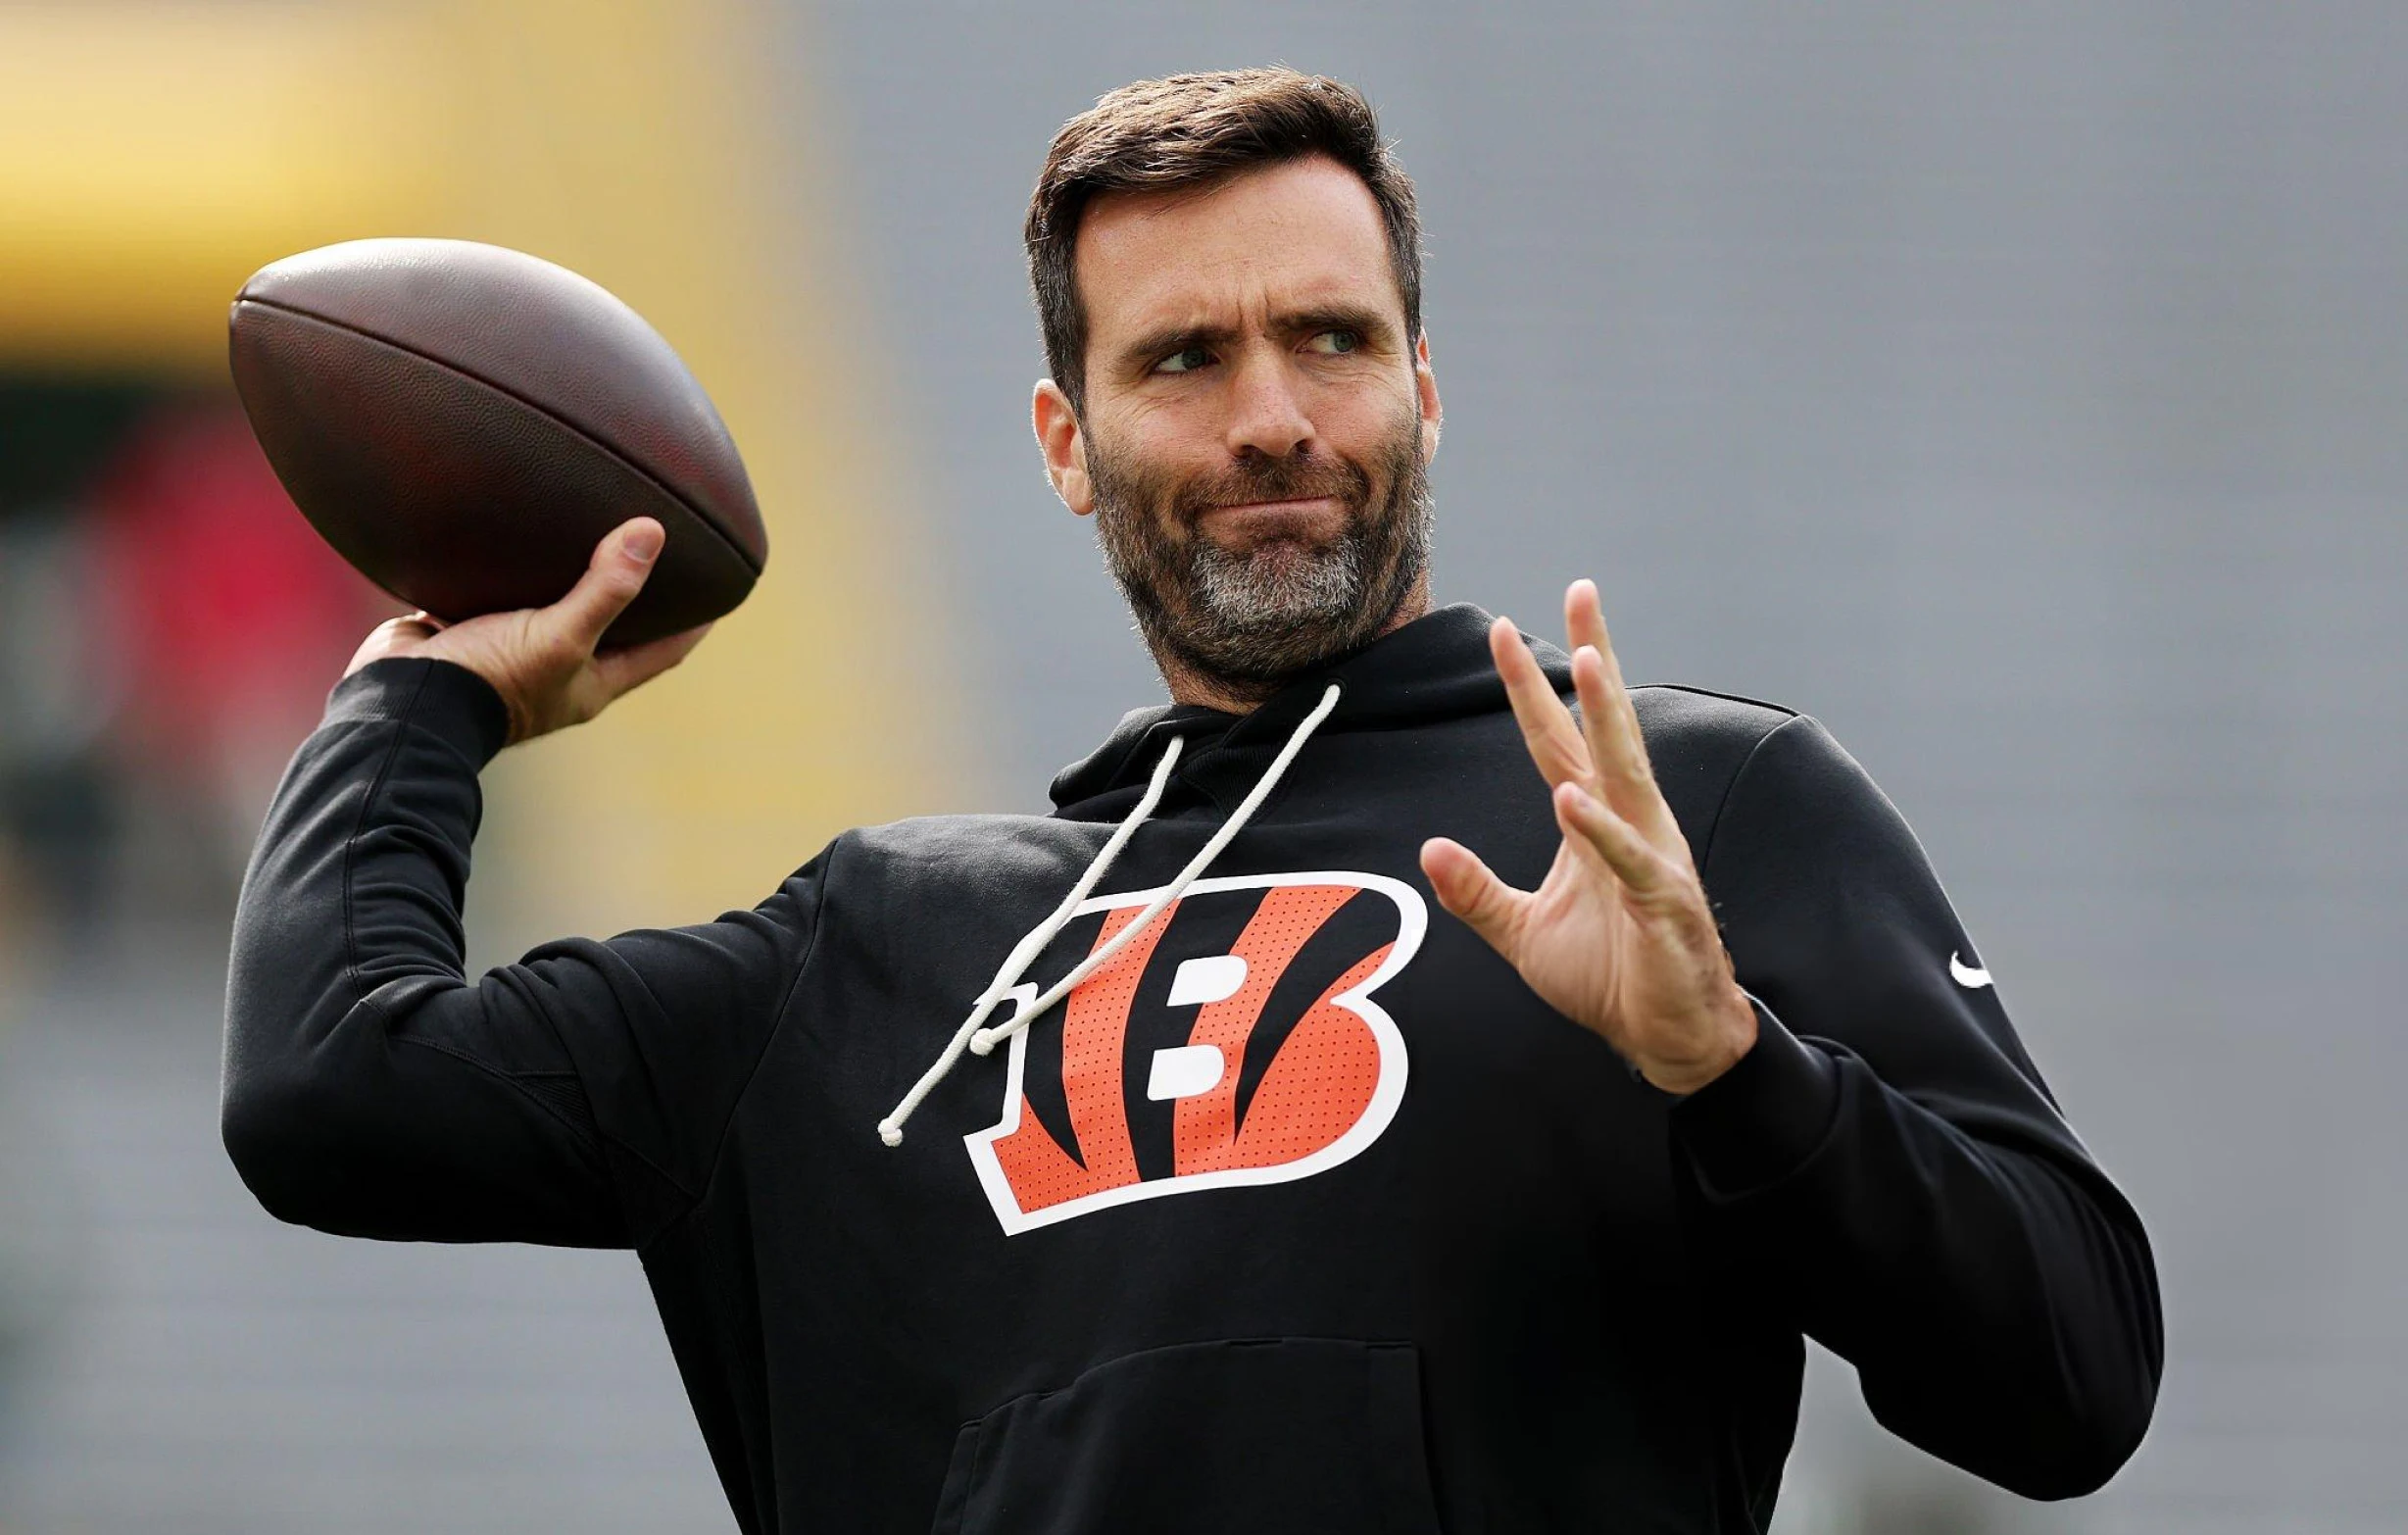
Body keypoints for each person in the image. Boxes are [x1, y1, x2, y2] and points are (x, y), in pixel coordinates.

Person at [222, 68, 2161, 1534]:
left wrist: (1734, 1069)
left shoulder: (1674, 815)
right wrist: (425, 702)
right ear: (1067, 442)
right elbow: (332, 1090)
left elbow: (2068, 1380)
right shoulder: (868, 947)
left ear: (1423, 384)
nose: (1272, 417)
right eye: (1184, 357)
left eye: (1331, 338)